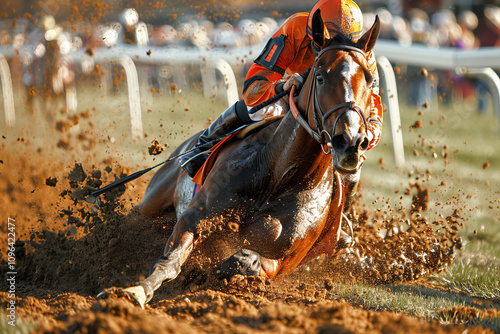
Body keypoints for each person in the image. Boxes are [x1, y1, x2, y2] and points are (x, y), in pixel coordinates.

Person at [180, 0, 383, 177]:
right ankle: (202, 147)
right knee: (258, 109)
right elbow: (253, 89)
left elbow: (374, 113)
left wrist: (365, 135)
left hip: (335, 109)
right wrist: (281, 87)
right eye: (322, 44)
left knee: (354, 166)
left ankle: (344, 212)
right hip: (296, 93)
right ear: (315, 34)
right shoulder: (295, 28)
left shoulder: (364, 55)